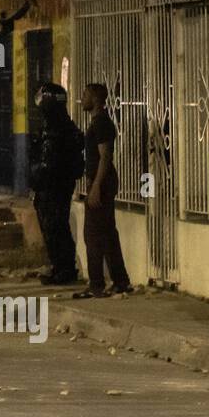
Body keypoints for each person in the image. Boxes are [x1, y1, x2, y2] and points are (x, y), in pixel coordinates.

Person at [74, 83, 131, 298]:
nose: (82, 98)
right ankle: (120, 281)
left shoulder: (101, 124)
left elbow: (105, 156)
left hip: (102, 183)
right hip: (101, 181)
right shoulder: (98, 122)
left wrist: (96, 186)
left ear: (96, 99)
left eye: (86, 95)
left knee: (93, 234)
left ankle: (96, 283)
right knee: (107, 234)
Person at [30, 83, 85, 285]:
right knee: (56, 227)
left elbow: (48, 162)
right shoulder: (63, 124)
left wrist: (36, 179)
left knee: (54, 228)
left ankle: (64, 270)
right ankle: (61, 268)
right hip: (58, 184)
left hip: (52, 186)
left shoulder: (54, 128)